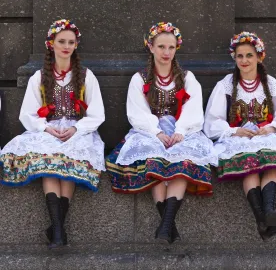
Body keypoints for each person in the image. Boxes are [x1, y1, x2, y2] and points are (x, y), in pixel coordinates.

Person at [106, 22, 218, 244]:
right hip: (150, 132)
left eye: (171, 47)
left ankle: (166, 226)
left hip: (181, 131)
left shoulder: (187, 78)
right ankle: (167, 226)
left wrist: (180, 131)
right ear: (151, 47)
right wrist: (156, 132)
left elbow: (194, 108)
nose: (166, 53)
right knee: (153, 161)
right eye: (161, 47)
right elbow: (137, 111)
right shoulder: (140, 78)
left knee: (183, 162)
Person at [0, 19, 105, 249]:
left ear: (76, 45)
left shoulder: (87, 76)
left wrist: (76, 128)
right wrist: (46, 128)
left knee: (68, 160)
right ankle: (58, 230)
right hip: (48, 128)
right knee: (49, 159)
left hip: (77, 130)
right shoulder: (39, 77)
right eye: (61, 42)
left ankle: (57, 229)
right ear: (51, 44)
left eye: (71, 42)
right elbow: (27, 113)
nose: (66, 46)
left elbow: (97, 114)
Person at [204, 31, 276, 240]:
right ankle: (263, 218)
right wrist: (234, 130)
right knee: (249, 164)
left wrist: (272, 128)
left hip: (265, 136)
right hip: (238, 139)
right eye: (240, 56)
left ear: (259, 57)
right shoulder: (226, 85)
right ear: (234, 58)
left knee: (272, 161)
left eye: (249, 55)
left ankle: (269, 212)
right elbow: (212, 121)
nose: (245, 60)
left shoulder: (271, 84)